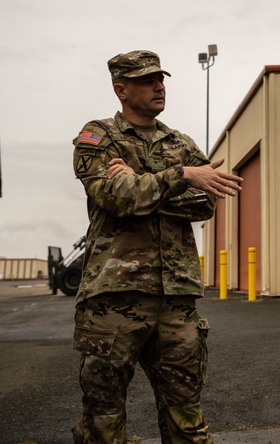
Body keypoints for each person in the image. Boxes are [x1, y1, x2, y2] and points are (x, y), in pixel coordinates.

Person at [71, 50, 243, 444]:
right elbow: (115, 196)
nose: (158, 86)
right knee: (103, 419)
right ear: (121, 89)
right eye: (146, 80)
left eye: (160, 79)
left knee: (187, 417)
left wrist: (142, 183)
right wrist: (181, 175)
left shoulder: (180, 141)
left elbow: (205, 203)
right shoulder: (98, 136)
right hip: (114, 298)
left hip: (177, 300)